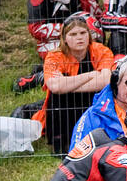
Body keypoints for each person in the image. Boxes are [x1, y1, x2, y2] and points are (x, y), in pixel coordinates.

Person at [36, 13, 113, 153]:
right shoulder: (54, 55)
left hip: (90, 103)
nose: (79, 37)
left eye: (83, 33)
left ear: (89, 35)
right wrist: (92, 75)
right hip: (63, 109)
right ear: (64, 39)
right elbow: (55, 86)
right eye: (73, 34)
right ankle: (62, 142)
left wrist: (67, 85)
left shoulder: (101, 50)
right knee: (58, 96)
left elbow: (106, 80)